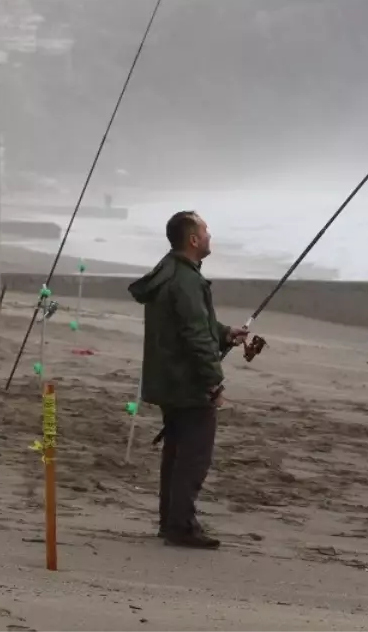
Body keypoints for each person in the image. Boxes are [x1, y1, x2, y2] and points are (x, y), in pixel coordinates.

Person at [128, 211, 247, 549]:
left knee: (177, 452)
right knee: (193, 456)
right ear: (193, 240)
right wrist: (214, 383)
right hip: (185, 381)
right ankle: (181, 525)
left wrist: (224, 334)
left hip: (169, 378)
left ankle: (171, 521)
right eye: (205, 230)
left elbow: (191, 324)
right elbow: (194, 336)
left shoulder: (170, 271)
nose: (209, 235)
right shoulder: (186, 280)